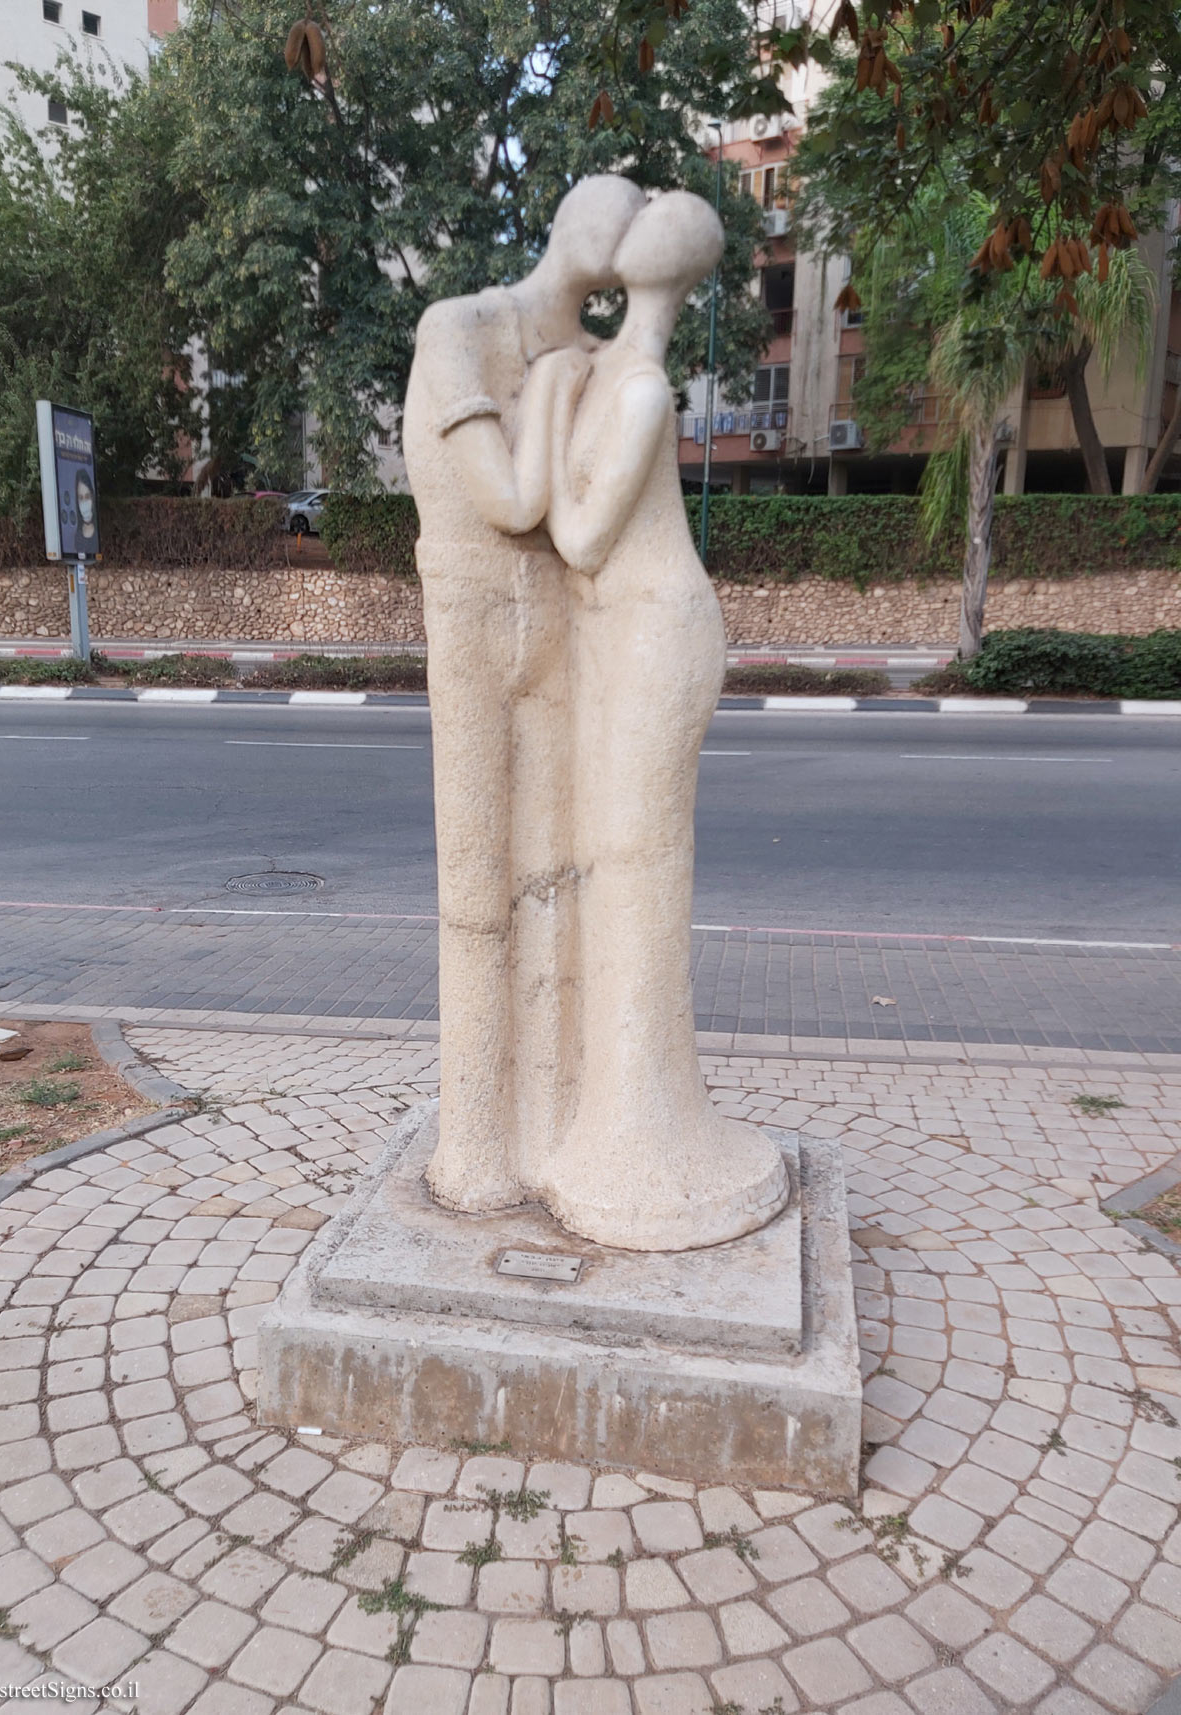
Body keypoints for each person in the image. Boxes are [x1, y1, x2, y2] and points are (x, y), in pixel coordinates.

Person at [529, 191, 790, 1249]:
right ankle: (621, 1112)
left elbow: (582, 538)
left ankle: (649, 1129)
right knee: (609, 857)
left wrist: (544, 420)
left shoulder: (636, 389)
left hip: (655, 634)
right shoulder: (602, 370)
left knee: (636, 859)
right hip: (615, 637)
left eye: (643, 219)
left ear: (663, 266)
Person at [402, 175, 646, 1214]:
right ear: (579, 226)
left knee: (561, 887)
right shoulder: (457, 327)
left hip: (561, 624)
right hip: (469, 619)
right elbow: (505, 499)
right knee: (476, 897)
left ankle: (554, 1140)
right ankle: (478, 1151)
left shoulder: (603, 362)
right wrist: (557, 393)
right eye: (617, 210)